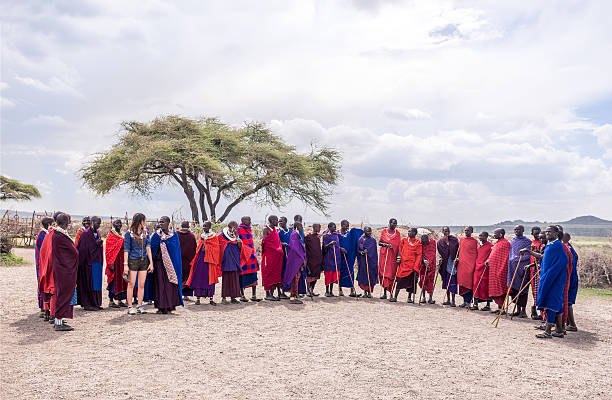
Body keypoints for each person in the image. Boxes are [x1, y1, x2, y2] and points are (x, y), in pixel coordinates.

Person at [522, 226, 568, 339]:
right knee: (556, 303)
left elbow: (563, 261)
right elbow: (543, 257)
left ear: (556, 233)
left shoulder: (557, 245)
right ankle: (559, 330)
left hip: (554, 279)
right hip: (549, 277)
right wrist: (529, 251)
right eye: (546, 232)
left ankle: (547, 331)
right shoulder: (551, 245)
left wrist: (550, 274)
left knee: (551, 303)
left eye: (550, 232)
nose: (547, 234)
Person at [51, 213, 79, 331]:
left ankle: (60, 319)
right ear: (65, 222)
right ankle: (58, 322)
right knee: (63, 294)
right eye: (68, 221)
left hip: (63, 268)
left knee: (63, 293)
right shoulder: (59, 235)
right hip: (63, 269)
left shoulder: (59, 234)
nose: (69, 223)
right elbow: (71, 252)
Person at [150, 216, 183, 313]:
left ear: (168, 223)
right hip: (159, 264)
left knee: (170, 285)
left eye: (162, 222)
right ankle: (160, 307)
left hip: (172, 266)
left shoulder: (174, 235)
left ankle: (170, 306)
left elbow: (176, 251)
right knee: (160, 285)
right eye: (160, 222)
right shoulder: (156, 235)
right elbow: (152, 249)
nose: (160, 224)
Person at [124, 213, 154, 315]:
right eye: (144, 220)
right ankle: (130, 306)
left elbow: (148, 247)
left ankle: (140, 305)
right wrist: (125, 264)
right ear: (140, 221)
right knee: (131, 284)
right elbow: (126, 249)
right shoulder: (129, 233)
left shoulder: (146, 232)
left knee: (141, 284)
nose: (145, 222)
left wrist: (151, 263)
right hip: (132, 260)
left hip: (144, 261)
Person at [186, 221, 220, 305]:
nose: (204, 228)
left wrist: (207, 248)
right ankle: (198, 298)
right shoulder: (201, 236)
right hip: (200, 260)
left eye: (206, 226)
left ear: (210, 227)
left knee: (209, 278)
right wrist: (202, 246)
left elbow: (216, 249)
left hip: (209, 261)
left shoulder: (214, 236)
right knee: (199, 277)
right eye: (203, 226)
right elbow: (198, 246)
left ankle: (211, 299)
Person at [38, 211, 63, 323]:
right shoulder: (52, 234)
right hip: (51, 266)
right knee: (52, 290)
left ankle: (48, 313)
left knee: (47, 288)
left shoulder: (48, 234)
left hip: (46, 266)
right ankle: (53, 315)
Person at [76, 216, 104, 311]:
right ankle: (88, 304)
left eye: (100, 223)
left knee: (96, 284)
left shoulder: (97, 232)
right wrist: (95, 244)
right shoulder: (86, 233)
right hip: (88, 264)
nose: (98, 225)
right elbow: (83, 249)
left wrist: (98, 244)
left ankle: (96, 303)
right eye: (97, 223)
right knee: (89, 284)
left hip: (96, 262)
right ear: (92, 222)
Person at [507, 225, 532, 318]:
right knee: (515, 289)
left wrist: (518, 259)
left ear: (523, 230)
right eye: (515, 229)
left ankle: (523, 311)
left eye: (519, 229)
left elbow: (530, 255)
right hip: (513, 268)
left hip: (523, 268)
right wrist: (511, 260)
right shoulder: (512, 240)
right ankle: (517, 310)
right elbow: (511, 253)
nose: (516, 231)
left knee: (523, 289)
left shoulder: (528, 241)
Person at [485, 228, 511, 314]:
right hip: (494, 270)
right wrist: (489, 260)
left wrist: (502, 268)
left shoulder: (506, 243)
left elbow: (506, 257)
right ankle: (499, 307)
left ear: (500, 234)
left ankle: (502, 308)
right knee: (495, 288)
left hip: (502, 270)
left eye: (495, 233)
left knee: (501, 288)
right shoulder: (497, 243)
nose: (494, 235)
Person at [393, 227, 422, 303]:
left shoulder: (418, 243)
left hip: (412, 266)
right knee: (399, 281)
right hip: (403, 264)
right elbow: (400, 250)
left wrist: (416, 266)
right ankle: (395, 297)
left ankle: (409, 298)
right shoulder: (404, 240)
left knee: (411, 282)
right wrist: (398, 258)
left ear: (414, 233)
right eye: (408, 231)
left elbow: (419, 255)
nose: (408, 233)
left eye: (410, 231)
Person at [237, 216, 261, 302]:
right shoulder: (239, 229)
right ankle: (242, 295)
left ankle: (254, 295)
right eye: (248, 220)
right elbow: (238, 242)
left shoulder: (249, 229)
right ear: (242, 221)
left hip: (251, 256)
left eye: (250, 220)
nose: (250, 221)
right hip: (243, 256)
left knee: (254, 276)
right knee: (242, 276)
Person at [337, 220, 364, 297]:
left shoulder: (349, 233)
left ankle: (352, 291)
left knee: (350, 272)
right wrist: (340, 248)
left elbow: (355, 239)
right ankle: (340, 290)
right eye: (345, 225)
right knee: (341, 272)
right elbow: (335, 244)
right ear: (341, 225)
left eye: (348, 225)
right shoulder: (337, 234)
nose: (347, 227)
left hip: (349, 257)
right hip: (340, 257)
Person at [105, 219, 128, 308]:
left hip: (121, 262)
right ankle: (111, 301)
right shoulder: (111, 235)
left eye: (120, 223)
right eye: (116, 223)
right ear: (113, 224)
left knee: (121, 280)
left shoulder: (121, 235)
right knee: (113, 280)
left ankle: (119, 300)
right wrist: (111, 264)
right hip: (114, 262)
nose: (119, 224)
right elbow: (108, 251)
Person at [218, 221, 242, 304]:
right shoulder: (222, 235)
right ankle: (224, 298)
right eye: (235, 227)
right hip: (226, 260)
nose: (236, 229)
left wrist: (237, 236)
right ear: (230, 227)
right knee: (226, 280)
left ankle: (233, 297)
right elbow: (219, 246)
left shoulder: (236, 236)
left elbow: (240, 246)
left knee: (234, 279)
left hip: (234, 260)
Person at [262, 215, 284, 301]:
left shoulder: (276, 230)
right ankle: (268, 294)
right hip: (269, 255)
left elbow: (277, 242)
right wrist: (276, 247)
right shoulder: (266, 229)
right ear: (271, 220)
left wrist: (280, 246)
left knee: (275, 273)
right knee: (268, 273)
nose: (277, 222)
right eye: (276, 220)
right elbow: (266, 241)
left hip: (276, 256)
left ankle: (272, 293)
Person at [34, 217, 53, 317]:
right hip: (42, 265)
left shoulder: (44, 234)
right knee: (44, 285)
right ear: (48, 224)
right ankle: (43, 308)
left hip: (43, 264)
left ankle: (45, 309)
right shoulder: (43, 235)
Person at [283, 222, 306, 304]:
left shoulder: (296, 234)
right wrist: (302, 258)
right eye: (301, 226)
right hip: (295, 260)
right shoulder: (294, 234)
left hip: (297, 260)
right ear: (297, 226)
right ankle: (292, 298)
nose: (302, 227)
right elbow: (294, 248)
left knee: (296, 278)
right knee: (294, 279)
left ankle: (294, 296)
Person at [378, 218, 401, 299]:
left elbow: (399, 246)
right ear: (389, 223)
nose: (394, 225)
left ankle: (391, 293)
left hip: (393, 257)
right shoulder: (384, 231)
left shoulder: (397, 233)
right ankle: (384, 293)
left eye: (395, 223)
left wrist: (399, 257)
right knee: (384, 273)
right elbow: (379, 243)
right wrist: (386, 245)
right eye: (393, 223)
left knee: (391, 274)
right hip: (384, 256)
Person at [456, 226, 478, 308]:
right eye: (465, 230)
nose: (466, 232)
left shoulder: (475, 241)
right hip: (462, 265)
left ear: (472, 231)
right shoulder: (461, 240)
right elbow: (460, 251)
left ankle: (469, 302)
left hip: (471, 265)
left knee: (469, 283)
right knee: (462, 283)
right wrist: (458, 259)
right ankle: (464, 302)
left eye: (468, 230)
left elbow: (477, 253)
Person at [437, 226, 459, 306]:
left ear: (449, 231)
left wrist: (457, 258)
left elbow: (458, 250)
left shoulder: (454, 240)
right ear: (442, 231)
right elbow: (440, 252)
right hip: (444, 265)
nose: (446, 232)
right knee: (446, 283)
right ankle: (448, 300)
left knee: (452, 282)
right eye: (445, 231)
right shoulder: (440, 241)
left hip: (452, 264)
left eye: (448, 231)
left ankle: (453, 301)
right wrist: (440, 258)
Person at [471, 232, 493, 311]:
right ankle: (475, 303)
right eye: (479, 236)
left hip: (486, 268)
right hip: (477, 267)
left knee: (485, 286)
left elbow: (492, 256)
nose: (480, 237)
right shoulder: (478, 246)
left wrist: (488, 261)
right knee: (476, 285)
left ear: (486, 237)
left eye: (482, 236)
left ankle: (488, 305)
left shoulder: (491, 246)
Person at [562, 233, 579, 331]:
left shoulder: (568, 249)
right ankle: (568, 323)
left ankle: (572, 324)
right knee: (566, 301)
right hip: (571, 277)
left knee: (567, 301)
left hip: (570, 278)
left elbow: (569, 266)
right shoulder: (569, 248)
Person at [177, 221, 197, 302]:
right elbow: (194, 249)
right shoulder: (191, 236)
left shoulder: (176, 235)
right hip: (188, 261)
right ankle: (186, 295)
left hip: (178, 260)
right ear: (188, 226)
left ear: (181, 225)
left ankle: (178, 294)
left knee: (179, 277)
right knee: (187, 277)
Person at [322, 222, 343, 296]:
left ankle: (331, 291)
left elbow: (337, 245)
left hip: (336, 258)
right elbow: (324, 247)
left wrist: (340, 249)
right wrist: (330, 244)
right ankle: (327, 291)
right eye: (333, 227)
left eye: (335, 227)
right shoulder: (326, 236)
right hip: (329, 258)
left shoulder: (336, 235)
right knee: (328, 275)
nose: (335, 228)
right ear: (329, 227)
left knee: (334, 275)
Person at [356, 227, 378, 298]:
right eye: (367, 231)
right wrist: (362, 252)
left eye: (370, 232)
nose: (369, 233)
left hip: (371, 262)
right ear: (364, 231)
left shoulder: (373, 240)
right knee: (364, 275)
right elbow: (358, 250)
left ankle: (369, 292)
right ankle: (365, 292)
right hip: (363, 261)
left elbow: (374, 251)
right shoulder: (360, 239)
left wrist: (368, 252)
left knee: (370, 275)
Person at [304, 223, 323, 297]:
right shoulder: (308, 237)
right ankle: (308, 291)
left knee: (316, 276)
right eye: (318, 227)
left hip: (318, 260)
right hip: (311, 260)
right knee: (309, 275)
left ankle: (312, 290)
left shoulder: (318, 237)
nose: (319, 229)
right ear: (314, 227)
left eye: (320, 227)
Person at [418, 234, 437, 304]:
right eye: (423, 242)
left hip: (432, 265)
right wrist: (424, 260)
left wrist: (430, 262)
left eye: (425, 242)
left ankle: (430, 298)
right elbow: (420, 253)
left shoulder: (433, 242)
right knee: (423, 280)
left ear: (428, 240)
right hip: (423, 265)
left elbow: (433, 253)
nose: (424, 244)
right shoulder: (421, 243)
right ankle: (423, 297)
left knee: (430, 280)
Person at [529, 227, 543, 319]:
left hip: (539, 268)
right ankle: (534, 309)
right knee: (534, 290)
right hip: (532, 268)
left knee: (539, 290)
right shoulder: (531, 242)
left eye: (539, 233)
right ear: (532, 234)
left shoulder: (542, 244)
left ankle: (541, 313)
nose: (538, 235)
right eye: (536, 234)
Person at [278, 216, 292, 298]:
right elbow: (277, 243)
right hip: (283, 256)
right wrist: (282, 244)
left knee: (291, 272)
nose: (280, 223)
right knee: (283, 273)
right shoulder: (279, 233)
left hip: (291, 254)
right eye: (279, 221)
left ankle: (291, 291)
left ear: (286, 221)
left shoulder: (291, 231)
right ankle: (282, 292)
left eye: (281, 221)